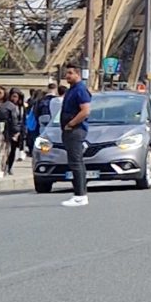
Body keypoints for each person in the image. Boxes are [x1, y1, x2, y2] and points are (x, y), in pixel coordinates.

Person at [57, 65, 93, 207]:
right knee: (75, 162)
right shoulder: (72, 89)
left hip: (75, 130)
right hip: (71, 130)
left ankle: (80, 195)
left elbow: (85, 111)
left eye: (70, 73)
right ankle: (79, 194)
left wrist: (71, 123)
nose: (67, 76)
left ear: (78, 74)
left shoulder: (80, 90)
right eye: (67, 73)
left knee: (76, 162)